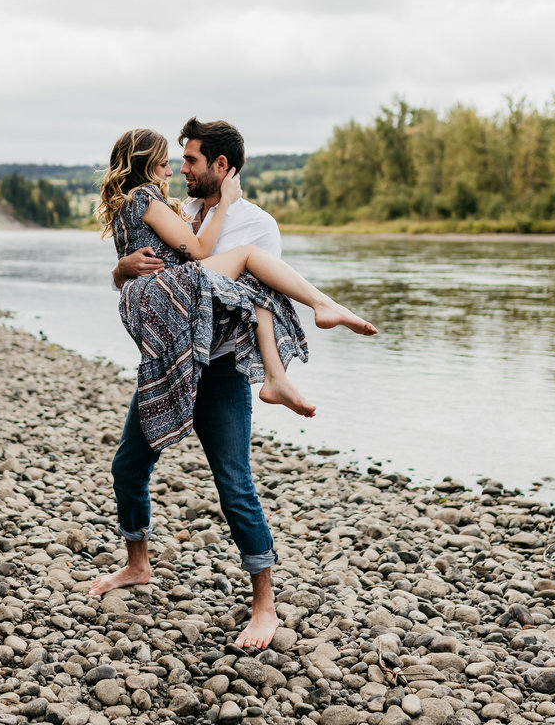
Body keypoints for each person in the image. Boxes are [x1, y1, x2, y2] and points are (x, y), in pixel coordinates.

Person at [90, 118, 375, 649]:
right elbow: (151, 262)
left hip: (219, 369)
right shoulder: (182, 210)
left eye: (193, 160)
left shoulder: (256, 225)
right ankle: (137, 565)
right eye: (178, 160)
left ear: (222, 166)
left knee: (234, 484)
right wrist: (120, 271)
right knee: (128, 464)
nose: (183, 169)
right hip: (172, 359)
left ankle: (264, 607)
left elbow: (262, 297)